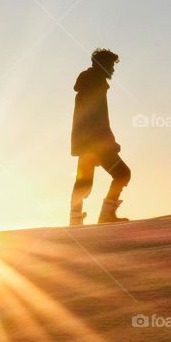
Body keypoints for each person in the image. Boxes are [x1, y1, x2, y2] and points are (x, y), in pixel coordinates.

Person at [69, 48, 131, 225]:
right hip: (96, 143)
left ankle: (75, 219)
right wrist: (108, 142)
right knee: (122, 174)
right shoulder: (96, 83)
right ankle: (106, 215)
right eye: (110, 65)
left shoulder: (88, 82)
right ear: (102, 65)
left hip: (83, 143)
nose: (112, 69)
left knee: (84, 182)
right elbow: (98, 118)